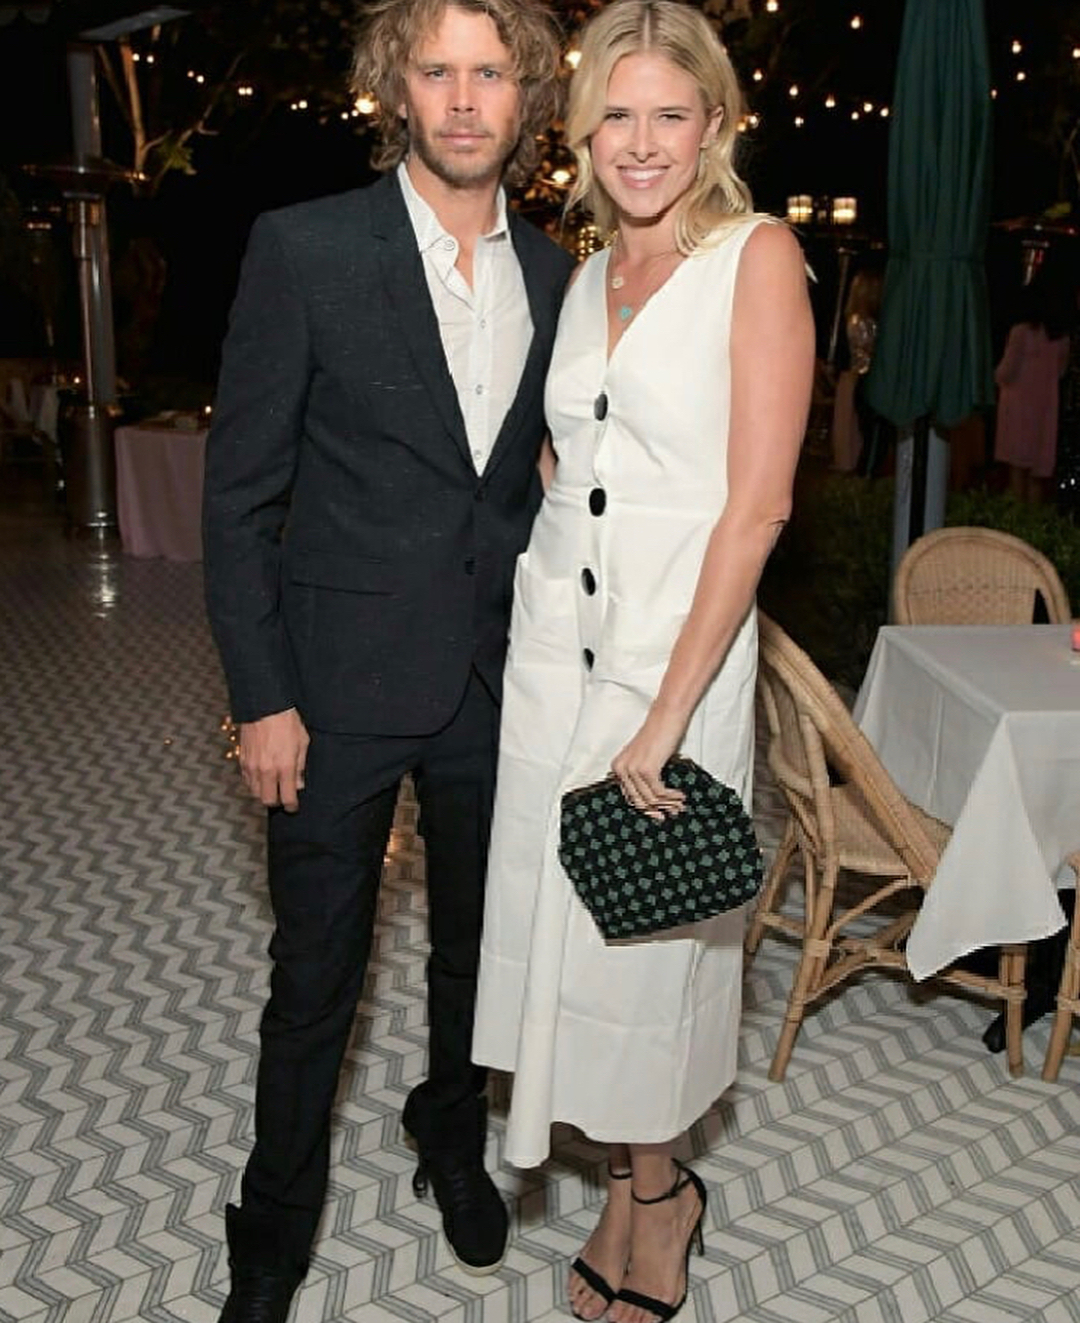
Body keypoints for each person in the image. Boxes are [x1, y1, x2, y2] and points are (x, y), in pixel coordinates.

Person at [201, 0, 573, 1316]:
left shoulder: (559, 279)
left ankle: (447, 1126)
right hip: (335, 685)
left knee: (478, 951)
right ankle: (274, 1226)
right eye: (437, 71)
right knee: (316, 976)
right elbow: (239, 496)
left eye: (491, 72)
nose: (464, 99)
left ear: (526, 96)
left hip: (495, 681)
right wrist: (263, 698)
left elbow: (539, 483)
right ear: (395, 88)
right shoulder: (306, 248)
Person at [471, 3, 815, 1322]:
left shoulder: (756, 258)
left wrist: (668, 712)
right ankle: (631, 1185)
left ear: (715, 122)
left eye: (671, 112)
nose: (642, 140)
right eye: (616, 113)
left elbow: (759, 506)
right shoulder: (586, 275)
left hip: (675, 661)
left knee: (649, 948)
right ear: (581, 131)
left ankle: (660, 1198)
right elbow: (571, 456)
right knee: (570, 944)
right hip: (557, 656)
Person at [993, 265, 1072, 503]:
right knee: (1036, 474)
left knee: (1017, 470)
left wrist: (993, 376)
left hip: (1018, 409)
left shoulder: (1020, 332)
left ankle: (1017, 519)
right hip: (1045, 410)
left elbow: (1007, 371)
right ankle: (1033, 519)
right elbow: (1060, 372)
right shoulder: (1060, 338)